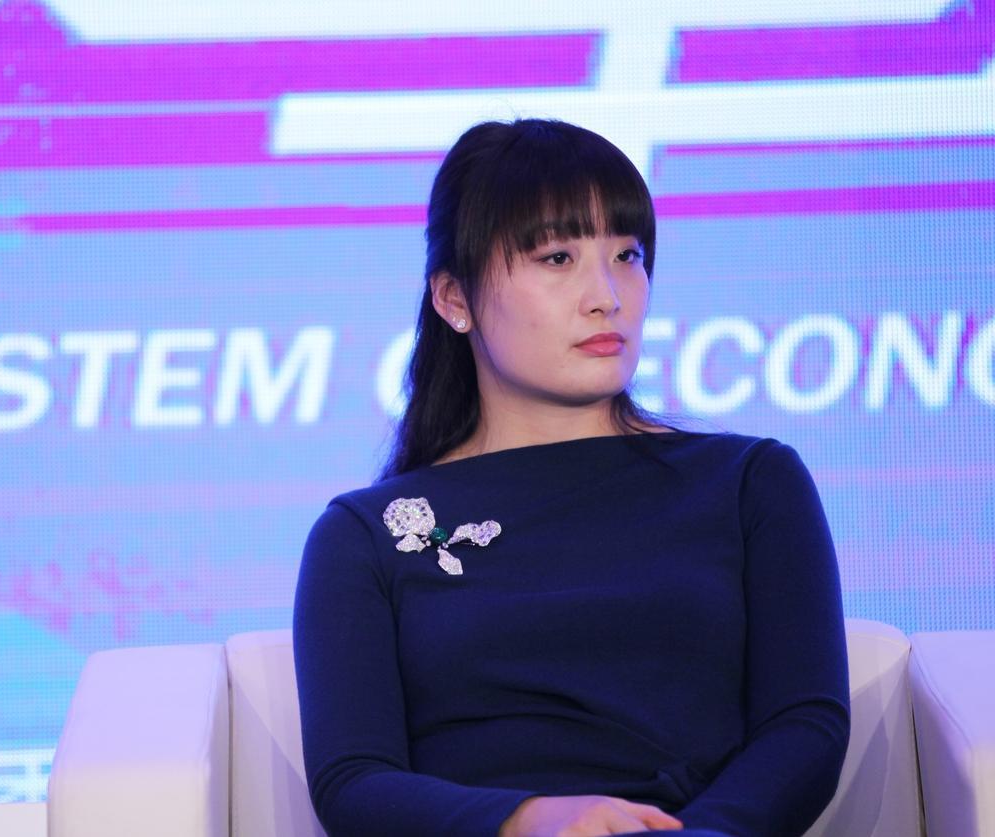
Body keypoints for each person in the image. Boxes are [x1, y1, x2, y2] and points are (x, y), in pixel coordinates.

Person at [292, 118, 850, 837]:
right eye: (557, 257)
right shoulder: (367, 533)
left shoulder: (749, 482)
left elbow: (804, 724)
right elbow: (353, 779)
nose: (606, 295)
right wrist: (527, 820)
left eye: (627, 255)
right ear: (454, 299)